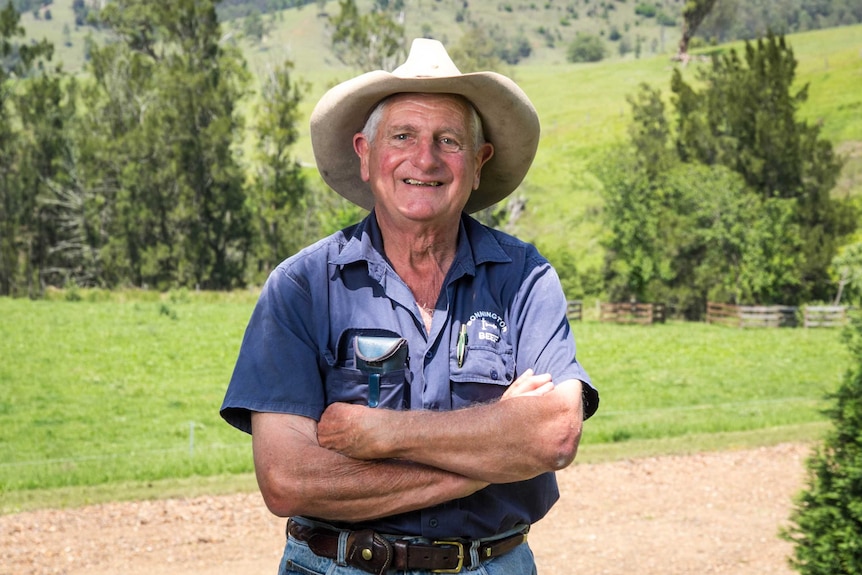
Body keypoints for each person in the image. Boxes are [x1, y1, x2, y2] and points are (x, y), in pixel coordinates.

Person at [220, 38, 599, 575]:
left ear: (478, 160)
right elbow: (289, 481)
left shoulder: (524, 277)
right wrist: (498, 450)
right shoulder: (302, 286)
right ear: (365, 153)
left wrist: (384, 435)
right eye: (403, 136)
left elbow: (555, 433)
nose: (425, 159)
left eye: (448, 141)